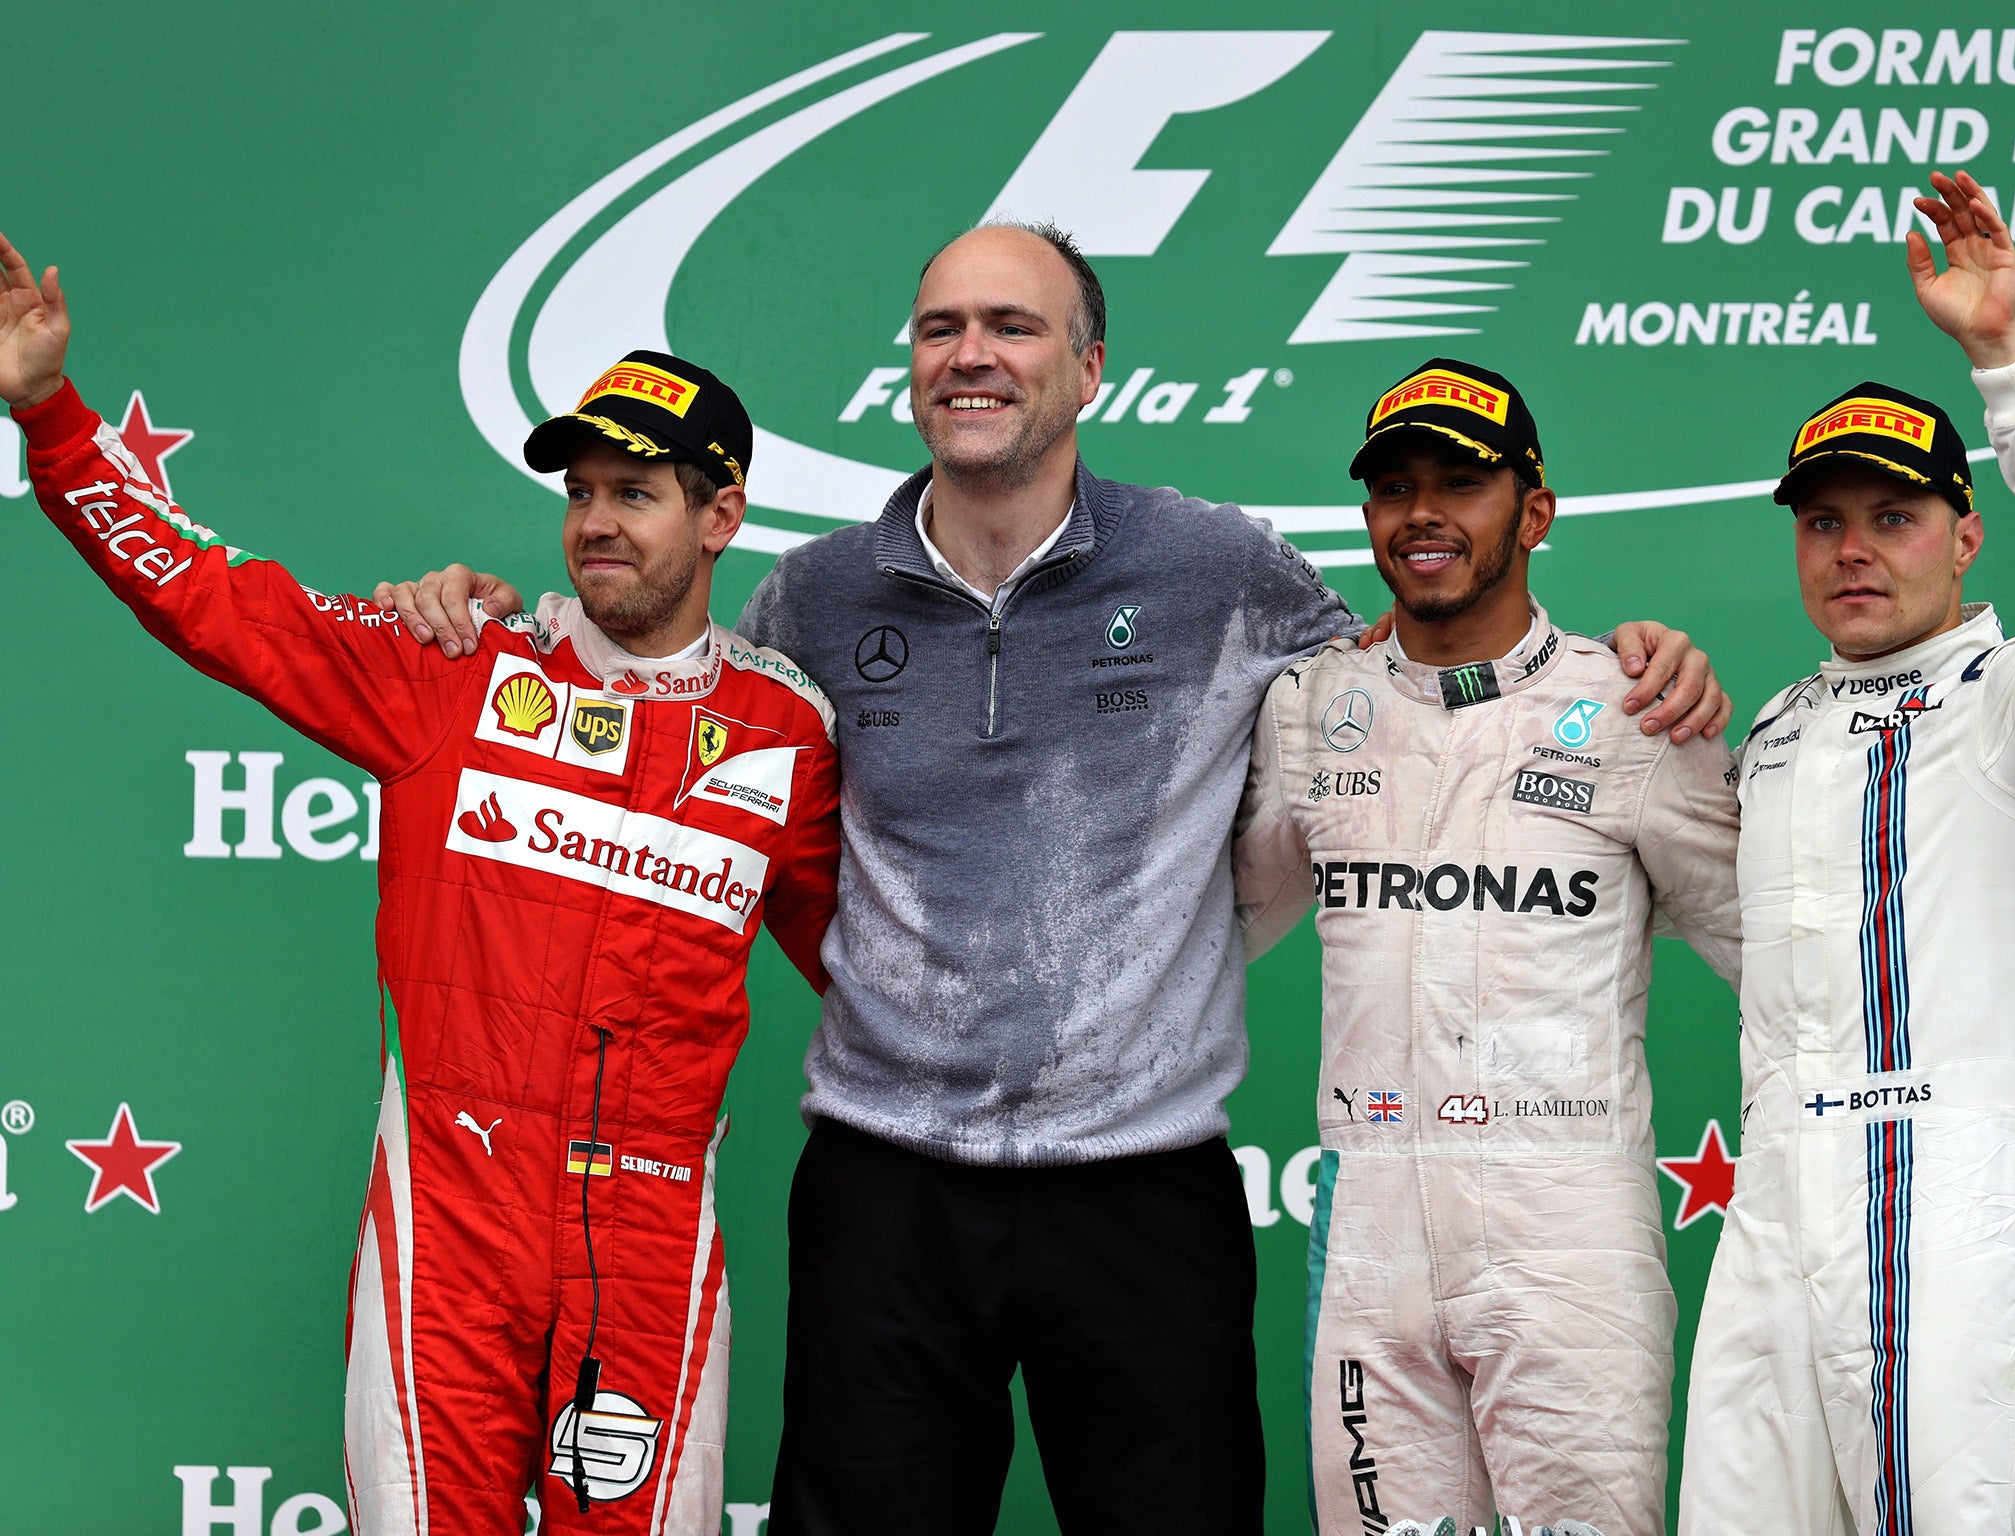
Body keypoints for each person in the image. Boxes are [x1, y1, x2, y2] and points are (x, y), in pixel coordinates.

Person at [387, 221, 1728, 1535]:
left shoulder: (1221, 567)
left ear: (1090, 369)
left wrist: (1620, 663)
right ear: (911, 366)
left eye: (1012, 325)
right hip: (885, 1186)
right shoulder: (814, 596)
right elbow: (666, 698)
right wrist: (499, 621)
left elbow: (1416, 675)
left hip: (1145, 1191)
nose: (972, 355)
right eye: (942, 329)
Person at [0, 232, 840, 1536]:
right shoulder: (452, 663)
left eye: (638, 493)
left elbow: (888, 979)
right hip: (449, 1217)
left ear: (722, 516)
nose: (596, 524)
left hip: (654, 1234)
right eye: (582, 494)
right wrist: (52, 419)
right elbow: (208, 599)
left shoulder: (786, 738)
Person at [1232, 359, 1741, 1536]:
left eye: (1459, 484)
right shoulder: (1311, 703)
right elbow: (1214, 926)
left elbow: (1777, 959)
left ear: (1535, 512)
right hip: (1367, 1212)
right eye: (1393, 487)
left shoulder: (1637, 706)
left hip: (1564, 1211)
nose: (1421, 515)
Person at [1676, 169, 2015, 1534]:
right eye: (1823, 520)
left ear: (1966, 533)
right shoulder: (1777, 729)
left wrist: (2003, 363)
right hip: (1777, 1202)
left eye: (1891, 518)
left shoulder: (2011, 704)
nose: (1850, 549)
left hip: (1939, 1186)